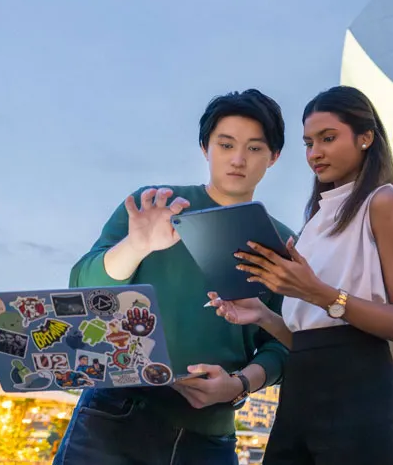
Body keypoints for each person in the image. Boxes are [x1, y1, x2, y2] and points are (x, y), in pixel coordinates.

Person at [53, 89, 296, 465]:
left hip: (210, 434)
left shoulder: (283, 242)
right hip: (114, 416)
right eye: (225, 144)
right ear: (205, 147)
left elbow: (283, 344)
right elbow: (84, 289)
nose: (237, 159)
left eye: (254, 148)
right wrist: (137, 245)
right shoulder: (153, 205)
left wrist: (239, 384)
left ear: (274, 156)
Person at [207, 85, 393, 465]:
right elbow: (305, 337)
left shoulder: (384, 202)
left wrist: (319, 293)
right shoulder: (315, 220)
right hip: (301, 389)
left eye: (328, 138)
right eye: (308, 142)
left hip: (360, 393)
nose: (315, 153)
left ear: (366, 138)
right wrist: (261, 314)